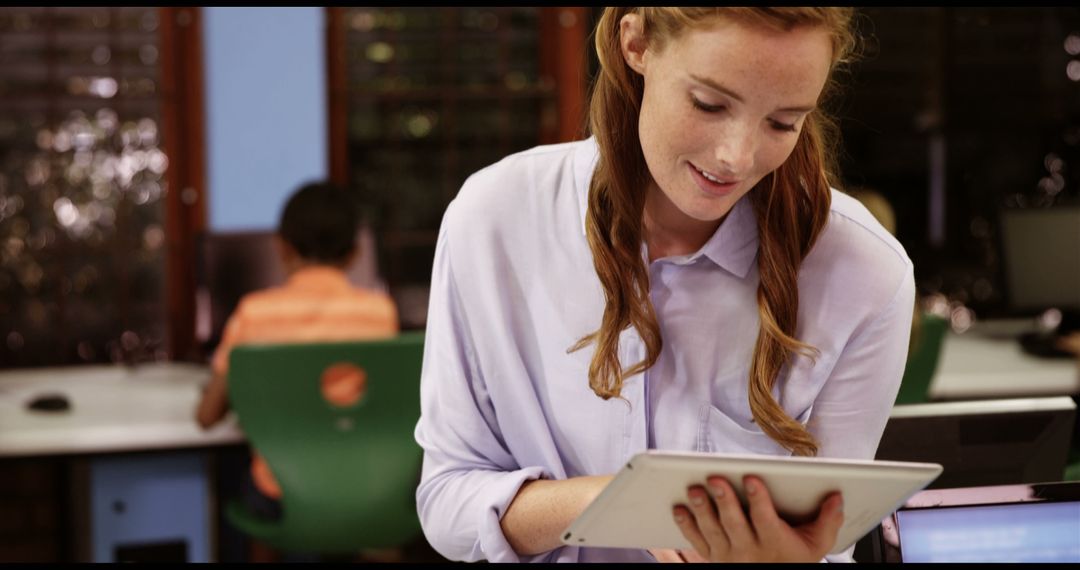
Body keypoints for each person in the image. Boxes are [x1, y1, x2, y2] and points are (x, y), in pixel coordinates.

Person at [414, 7, 914, 564]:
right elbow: (447, 503)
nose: (737, 157)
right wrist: (625, 505)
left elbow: (830, 543)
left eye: (782, 123)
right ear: (637, 44)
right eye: (709, 103)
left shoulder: (865, 273)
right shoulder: (494, 220)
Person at [195, 181, 399, 557]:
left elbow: (208, 416)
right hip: (364, 491)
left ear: (282, 247)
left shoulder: (253, 313)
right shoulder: (380, 313)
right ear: (355, 253)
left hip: (283, 498)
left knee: (238, 480)